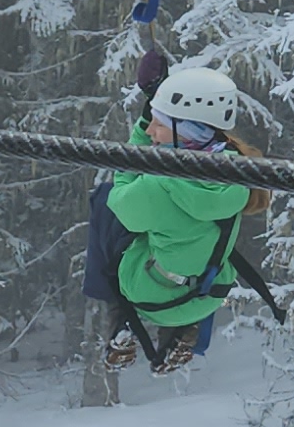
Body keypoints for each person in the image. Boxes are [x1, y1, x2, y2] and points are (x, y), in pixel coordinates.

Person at [102, 64, 263, 374]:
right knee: (197, 238)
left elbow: (121, 199)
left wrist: (133, 152)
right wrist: (155, 104)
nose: (149, 132)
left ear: (186, 131)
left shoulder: (159, 185)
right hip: (210, 293)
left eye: (158, 125)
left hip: (155, 298)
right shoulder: (237, 167)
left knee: (105, 206)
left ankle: (119, 322)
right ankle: (185, 329)